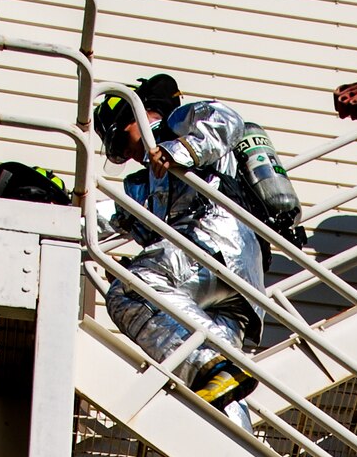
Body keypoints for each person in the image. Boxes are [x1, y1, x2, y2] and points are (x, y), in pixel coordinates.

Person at [93, 75, 267, 429]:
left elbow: (226, 119)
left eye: (123, 140)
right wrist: (66, 211)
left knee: (130, 289)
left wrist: (180, 151)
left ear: (140, 117)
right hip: (227, 281)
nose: (128, 155)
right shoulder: (144, 182)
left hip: (213, 245)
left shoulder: (176, 124)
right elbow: (111, 216)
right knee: (215, 385)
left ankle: (218, 363)